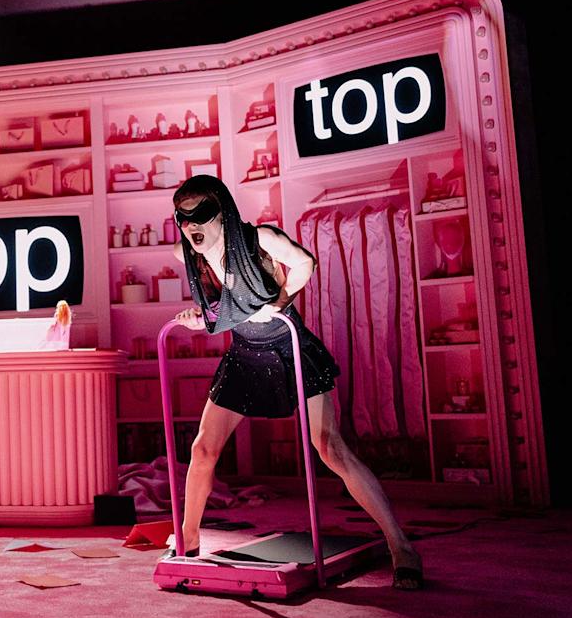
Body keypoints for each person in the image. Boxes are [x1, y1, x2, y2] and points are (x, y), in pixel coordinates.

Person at [168, 174, 424, 590]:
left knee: (330, 448)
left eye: (202, 213)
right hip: (245, 355)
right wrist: (201, 318)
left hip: (288, 348)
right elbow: (222, 308)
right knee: (203, 447)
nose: (191, 223)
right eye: (182, 216)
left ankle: (401, 546)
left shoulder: (259, 240)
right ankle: (189, 540)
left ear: (223, 212)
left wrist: (280, 301)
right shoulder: (189, 255)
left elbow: (306, 262)